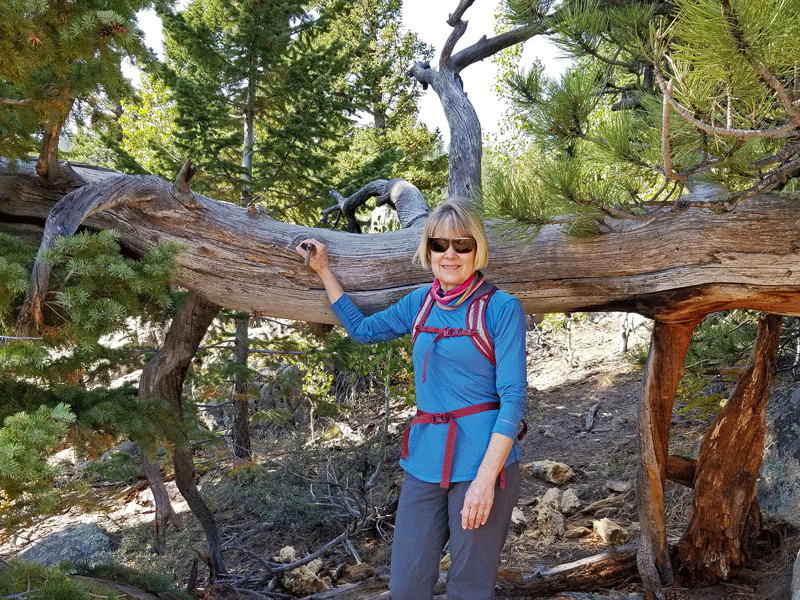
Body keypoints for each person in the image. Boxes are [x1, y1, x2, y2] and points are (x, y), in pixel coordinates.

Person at [296, 197, 527, 600]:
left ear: (477, 250)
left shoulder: (502, 309)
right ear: (428, 250)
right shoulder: (421, 302)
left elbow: (514, 398)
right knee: (406, 586)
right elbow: (363, 330)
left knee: (469, 590)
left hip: (483, 462)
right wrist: (324, 271)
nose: (450, 254)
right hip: (425, 460)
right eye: (439, 244)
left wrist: (484, 481)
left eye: (462, 245)